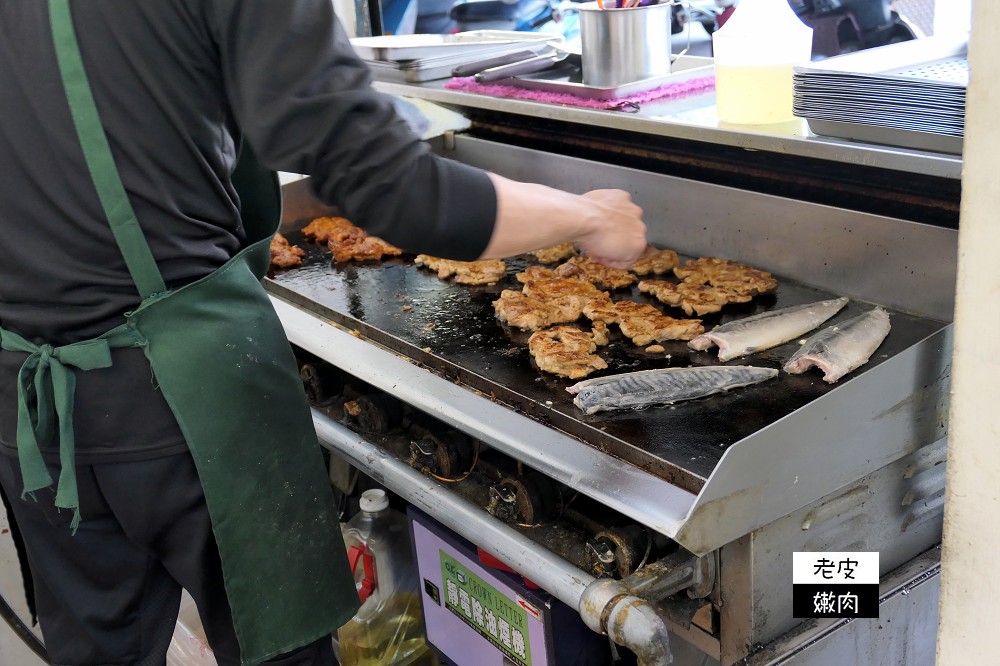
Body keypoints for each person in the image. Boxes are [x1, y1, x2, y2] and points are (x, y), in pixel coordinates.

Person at [0, 2, 647, 665]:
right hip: (186, 396)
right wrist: (590, 216)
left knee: (101, 648)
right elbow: (403, 194)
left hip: (26, 402)